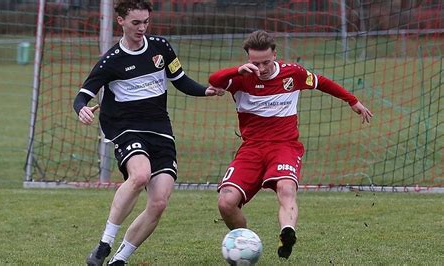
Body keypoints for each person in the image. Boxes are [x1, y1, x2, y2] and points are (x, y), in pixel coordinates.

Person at [73, 1, 224, 265]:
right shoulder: (111, 61)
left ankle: (120, 259)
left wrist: (204, 90)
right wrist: (82, 109)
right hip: (125, 128)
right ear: (120, 21)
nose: (142, 28)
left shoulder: (161, 47)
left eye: (146, 22)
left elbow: (180, 80)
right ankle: (104, 244)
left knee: (159, 202)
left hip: (160, 129)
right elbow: (82, 96)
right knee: (140, 175)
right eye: (135, 23)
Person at [209, 30, 373, 260]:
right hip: (252, 148)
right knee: (226, 202)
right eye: (256, 63)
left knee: (286, 189)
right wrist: (237, 70)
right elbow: (214, 80)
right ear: (248, 60)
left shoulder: (292, 74)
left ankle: (287, 232)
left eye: (266, 62)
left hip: (284, 146)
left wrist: (352, 100)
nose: (262, 68)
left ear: (275, 55)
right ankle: (246, 243)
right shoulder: (240, 78)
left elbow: (321, 82)